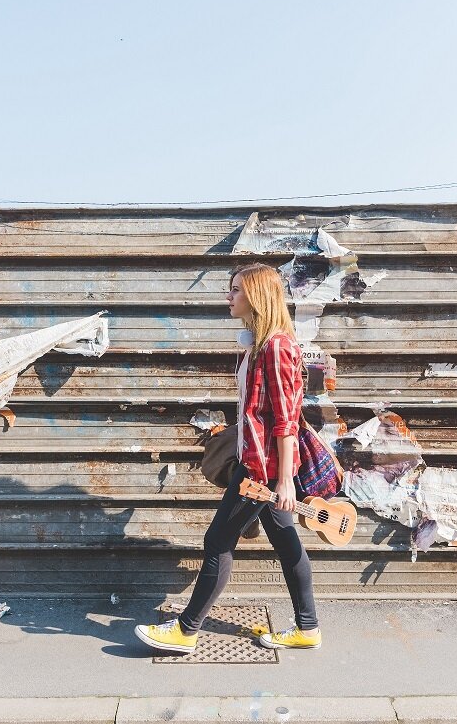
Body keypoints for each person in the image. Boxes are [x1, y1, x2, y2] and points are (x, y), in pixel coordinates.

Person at [134, 263, 321, 653]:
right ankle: (308, 629)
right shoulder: (257, 344)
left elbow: (286, 421)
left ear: (256, 296)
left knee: (218, 540)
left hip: (262, 471)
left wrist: (284, 480)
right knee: (287, 544)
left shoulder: (275, 348)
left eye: (235, 289)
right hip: (257, 462)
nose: (229, 296)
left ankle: (186, 631)